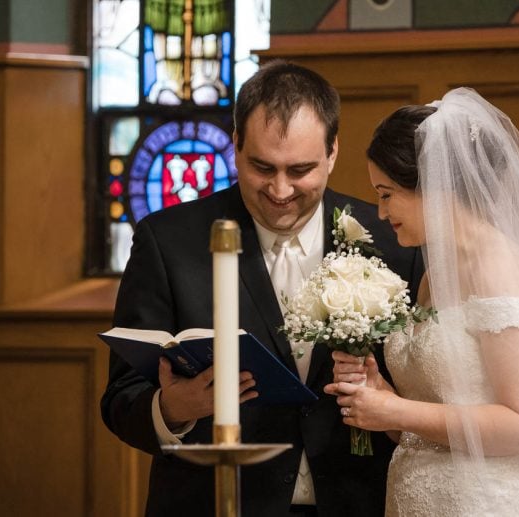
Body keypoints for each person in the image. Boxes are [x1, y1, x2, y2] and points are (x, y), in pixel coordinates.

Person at [100, 60, 424, 517]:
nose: (280, 189)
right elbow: (121, 398)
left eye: (301, 169)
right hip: (214, 503)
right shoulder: (168, 240)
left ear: (332, 152)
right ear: (235, 145)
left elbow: (428, 393)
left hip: (359, 502)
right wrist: (172, 408)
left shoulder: (394, 239)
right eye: (262, 166)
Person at [326, 88, 519, 516]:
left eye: (386, 193)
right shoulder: (436, 276)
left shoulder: (500, 269)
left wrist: (398, 409)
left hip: (488, 503)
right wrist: (382, 399)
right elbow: (433, 418)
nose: (380, 212)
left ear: (434, 186)